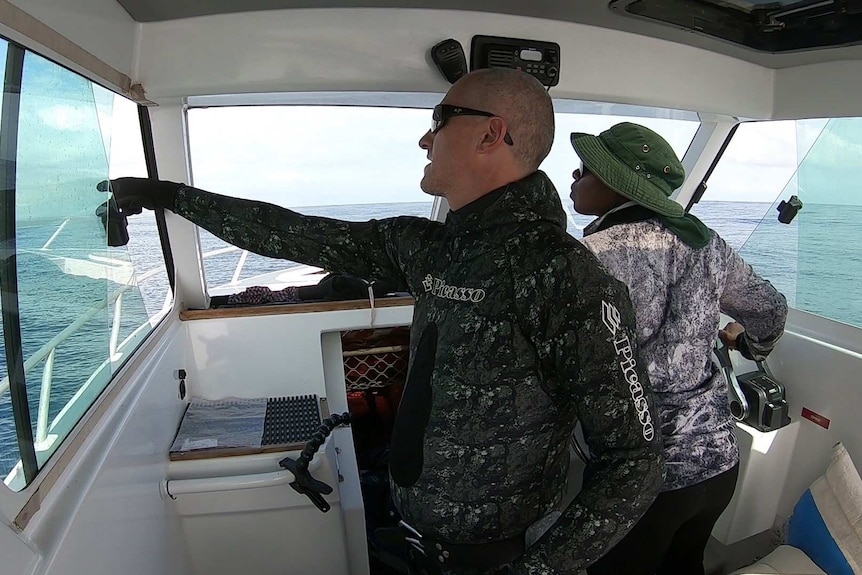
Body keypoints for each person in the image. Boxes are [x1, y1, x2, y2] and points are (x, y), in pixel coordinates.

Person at [103, 69, 663, 574]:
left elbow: (635, 459)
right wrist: (173, 196)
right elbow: (297, 233)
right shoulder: (432, 247)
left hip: (497, 552)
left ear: (492, 134)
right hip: (415, 523)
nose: (425, 138)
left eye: (440, 119)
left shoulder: (564, 275)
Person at [568, 122, 788, 575]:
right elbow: (770, 310)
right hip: (717, 465)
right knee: (685, 565)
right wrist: (748, 342)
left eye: (583, 170)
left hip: (641, 476)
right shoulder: (706, 244)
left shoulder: (587, 257)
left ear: (614, 182)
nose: (574, 178)